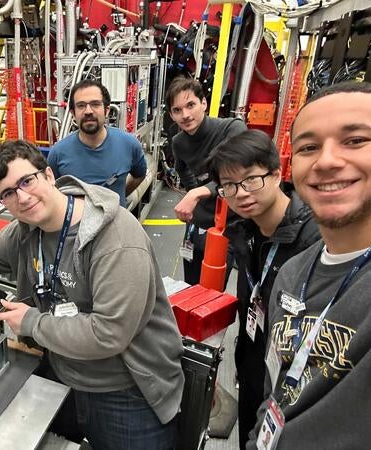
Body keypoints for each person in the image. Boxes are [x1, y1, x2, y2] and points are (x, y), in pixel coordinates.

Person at [0, 139, 184, 449]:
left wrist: (31, 323)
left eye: (27, 181)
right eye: (9, 193)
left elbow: (109, 334)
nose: (22, 198)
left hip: (126, 392)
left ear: (49, 176)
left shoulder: (115, 237)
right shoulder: (24, 233)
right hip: (63, 377)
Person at [247, 81, 371, 449]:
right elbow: (279, 383)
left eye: (355, 140)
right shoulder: (293, 274)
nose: (327, 160)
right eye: (309, 147)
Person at [206, 129, 319, 448]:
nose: (240, 193)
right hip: (255, 364)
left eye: (250, 179)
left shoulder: (312, 242)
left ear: (276, 173)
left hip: (294, 385)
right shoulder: (247, 231)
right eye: (228, 185)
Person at [166, 76, 247, 284]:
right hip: (198, 223)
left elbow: (236, 174)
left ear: (204, 103)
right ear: (171, 115)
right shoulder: (178, 142)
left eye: (190, 105)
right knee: (191, 284)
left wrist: (197, 193)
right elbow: (182, 169)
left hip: (230, 222)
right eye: (177, 110)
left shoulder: (232, 129)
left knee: (213, 288)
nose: (185, 115)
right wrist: (195, 192)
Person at [48, 79, 147, 206]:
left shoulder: (129, 144)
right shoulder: (58, 153)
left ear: (106, 110)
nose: (88, 111)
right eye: (81, 105)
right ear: (73, 113)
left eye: (95, 104)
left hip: (115, 223)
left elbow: (139, 175)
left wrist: (116, 199)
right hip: (76, 225)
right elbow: (52, 193)